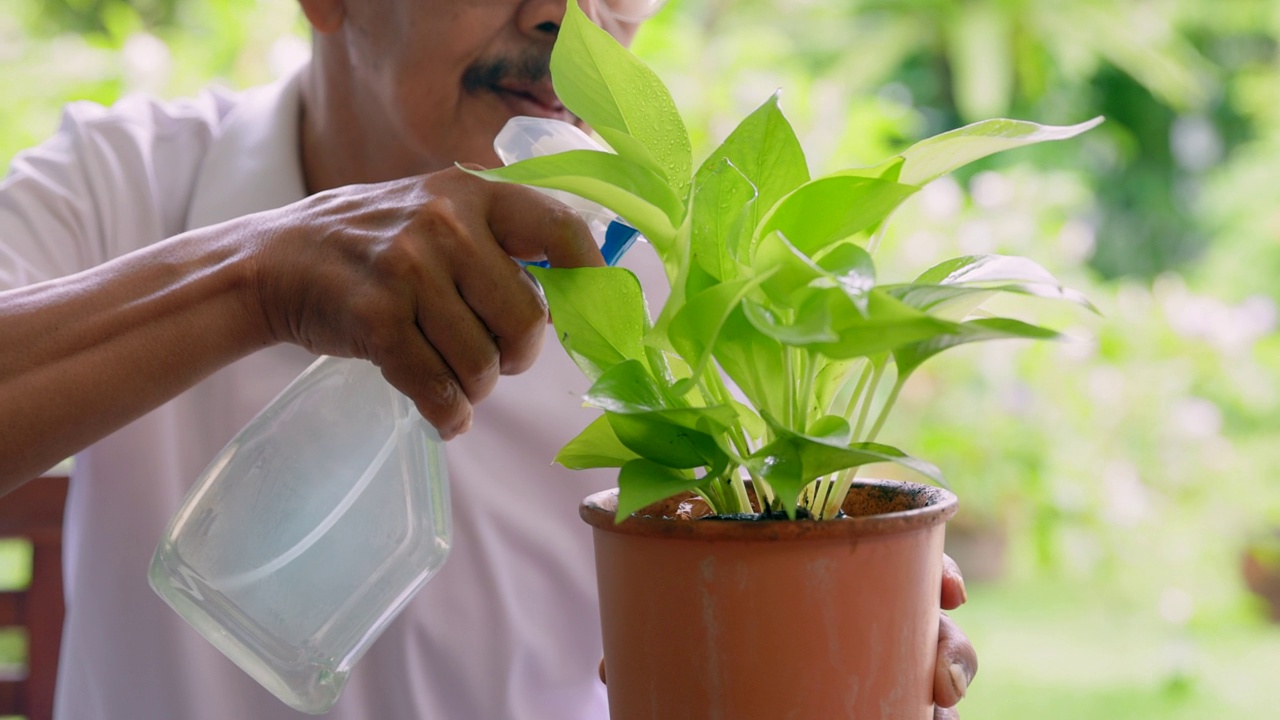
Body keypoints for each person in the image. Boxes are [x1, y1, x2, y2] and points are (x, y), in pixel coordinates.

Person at [0, 0, 978, 717]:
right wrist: (260, 277)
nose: (572, 20)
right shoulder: (122, 186)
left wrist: (845, 639)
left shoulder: (676, 282)